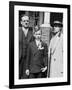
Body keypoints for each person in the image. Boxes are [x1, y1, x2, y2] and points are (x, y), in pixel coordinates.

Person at [19, 15, 34, 79]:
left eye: (27, 21)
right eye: (24, 21)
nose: (26, 22)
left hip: (28, 60)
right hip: (18, 58)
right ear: (21, 22)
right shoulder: (16, 30)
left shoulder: (32, 31)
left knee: (25, 77)